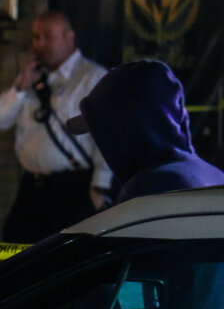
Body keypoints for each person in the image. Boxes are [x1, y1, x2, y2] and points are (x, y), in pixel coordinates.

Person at [0, 12, 112, 242]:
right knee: (15, 245)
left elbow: (107, 136)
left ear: (69, 37)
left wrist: (100, 187)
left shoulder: (92, 77)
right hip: (32, 186)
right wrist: (20, 87)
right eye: (36, 37)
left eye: (48, 36)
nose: (40, 44)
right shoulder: (31, 77)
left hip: (73, 187)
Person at [64, 60, 224, 205]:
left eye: (101, 135)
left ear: (121, 134)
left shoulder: (149, 188)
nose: (101, 148)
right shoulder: (213, 175)